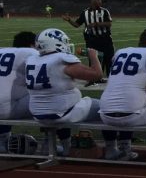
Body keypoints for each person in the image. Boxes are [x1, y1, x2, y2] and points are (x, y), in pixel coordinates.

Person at [26, 28, 103, 156]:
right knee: (106, 108)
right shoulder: (60, 60)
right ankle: (115, 147)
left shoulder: (32, 60)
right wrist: (94, 57)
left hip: (38, 113)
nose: (67, 44)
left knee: (63, 106)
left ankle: (54, 145)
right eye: (64, 41)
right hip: (61, 113)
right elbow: (96, 75)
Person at [98, 28, 146, 160]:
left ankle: (114, 149)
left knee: (128, 101)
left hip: (105, 114)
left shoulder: (120, 52)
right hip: (133, 115)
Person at [0, 31, 39, 153]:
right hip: (8, 108)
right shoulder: (31, 53)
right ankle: (52, 143)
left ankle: (3, 140)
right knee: (48, 97)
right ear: (32, 45)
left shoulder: (2, 51)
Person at [62, 0, 114, 81]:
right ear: (93, 1)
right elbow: (77, 24)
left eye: (100, 0)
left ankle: (111, 79)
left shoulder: (104, 11)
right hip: (92, 40)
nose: (100, 2)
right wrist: (69, 20)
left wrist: (96, 24)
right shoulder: (85, 12)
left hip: (105, 39)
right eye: (98, 0)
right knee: (94, 60)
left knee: (109, 59)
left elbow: (109, 23)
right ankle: (94, 79)